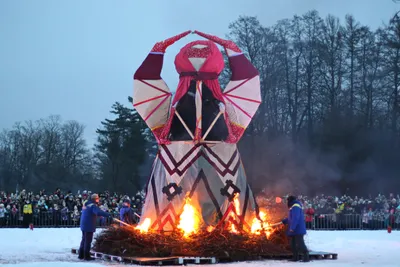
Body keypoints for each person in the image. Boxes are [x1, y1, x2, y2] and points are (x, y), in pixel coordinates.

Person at [78, 193, 111, 261]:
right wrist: (108, 215)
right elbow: (98, 212)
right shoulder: (93, 205)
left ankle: (81, 255)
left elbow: (90, 213)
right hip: (89, 225)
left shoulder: (86, 203)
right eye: (98, 198)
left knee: (84, 239)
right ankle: (86, 256)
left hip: (84, 224)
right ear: (95, 199)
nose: (98, 200)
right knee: (88, 241)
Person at [281, 195, 310, 262]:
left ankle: (306, 257)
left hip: (298, 229)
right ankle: (295, 258)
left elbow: (295, 218)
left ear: (290, 200)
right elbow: (291, 218)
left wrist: (292, 227)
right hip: (294, 230)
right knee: (293, 244)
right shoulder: (293, 206)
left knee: (300, 244)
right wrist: (284, 221)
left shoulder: (296, 206)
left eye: (287, 201)